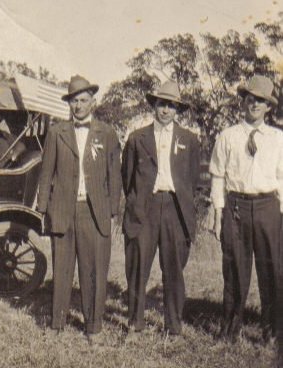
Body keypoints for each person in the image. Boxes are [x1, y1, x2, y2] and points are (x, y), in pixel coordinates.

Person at [37, 75, 122, 342]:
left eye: (83, 100)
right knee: (62, 268)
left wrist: (111, 212)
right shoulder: (56, 132)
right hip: (63, 210)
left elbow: (114, 176)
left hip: (93, 212)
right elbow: (46, 173)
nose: (78, 106)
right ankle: (57, 324)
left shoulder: (106, 133)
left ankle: (93, 328)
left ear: (93, 103)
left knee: (94, 270)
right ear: (69, 104)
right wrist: (43, 209)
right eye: (74, 101)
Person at [122, 80, 200, 336]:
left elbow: (192, 179)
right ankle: (135, 321)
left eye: (170, 105)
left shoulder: (189, 139)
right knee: (138, 265)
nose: (165, 110)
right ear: (153, 105)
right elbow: (128, 177)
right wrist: (137, 202)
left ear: (177, 109)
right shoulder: (137, 138)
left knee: (174, 268)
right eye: (161, 104)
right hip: (145, 207)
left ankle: (173, 324)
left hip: (175, 209)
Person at [210, 74, 283, 342]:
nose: (255, 105)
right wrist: (218, 213)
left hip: (268, 207)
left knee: (273, 270)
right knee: (235, 269)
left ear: (268, 107)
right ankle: (231, 327)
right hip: (236, 208)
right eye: (250, 99)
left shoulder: (277, 139)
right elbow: (218, 175)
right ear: (244, 101)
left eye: (261, 101)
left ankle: (272, 330)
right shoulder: (228, 136)